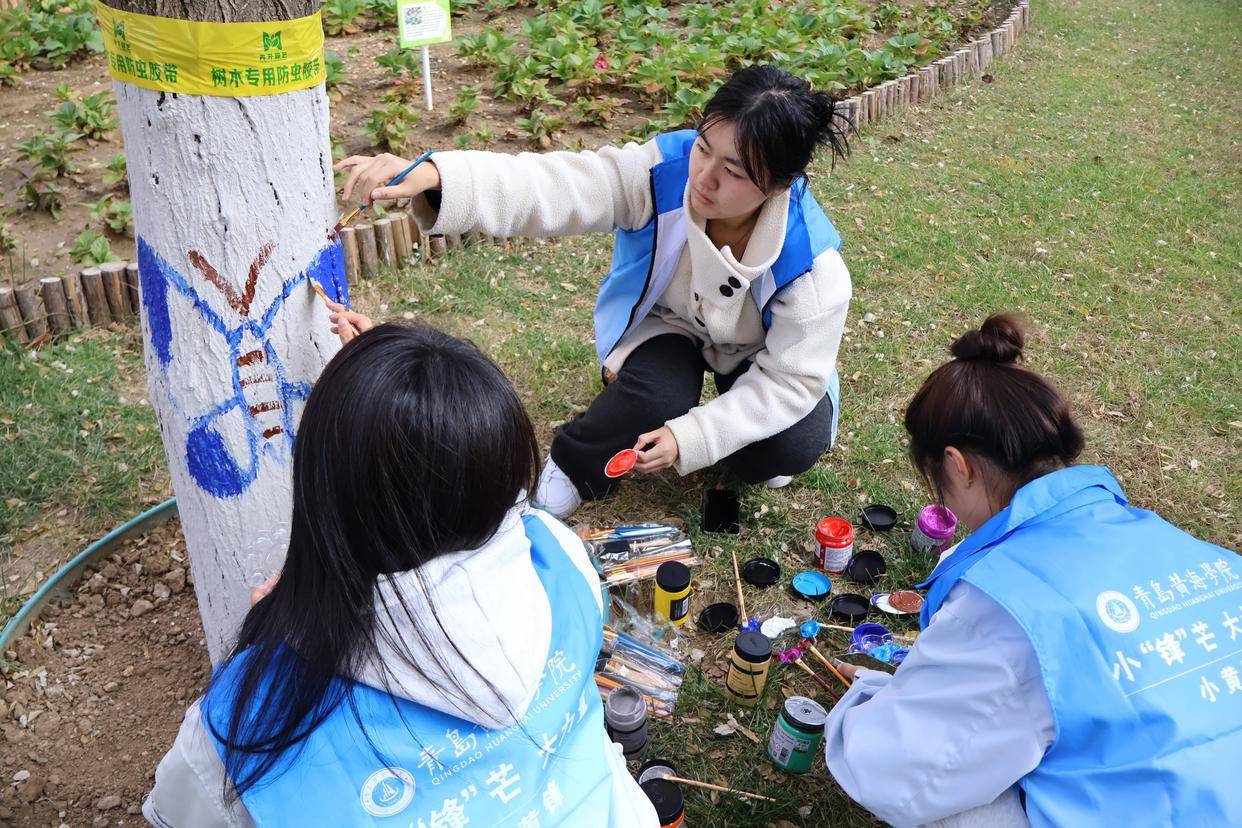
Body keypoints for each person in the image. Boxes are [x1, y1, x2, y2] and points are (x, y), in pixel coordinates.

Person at [143, 324, 658, 827]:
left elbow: (181, 806)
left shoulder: (239, 732)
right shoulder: (562, 557)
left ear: (323, 495)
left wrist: (288, 634)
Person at [332, 63, 852, 517]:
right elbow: (557, 184)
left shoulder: (814, 270)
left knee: (788, 444)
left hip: (756, 356)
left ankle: (737, 437)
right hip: (666, 324)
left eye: (733, 171)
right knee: (658, 395)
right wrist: (442, 176)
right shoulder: (659, 173)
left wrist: (692, 437)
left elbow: (788, 383)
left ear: (781, 185)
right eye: (703, 148)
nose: (704, 178)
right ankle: (572, 466)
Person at [822, 315, 1242, 827]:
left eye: (937, 486)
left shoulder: (1005, 609)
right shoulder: (1192, 552)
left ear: (958, 465)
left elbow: (891, 773)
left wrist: (870, 701)